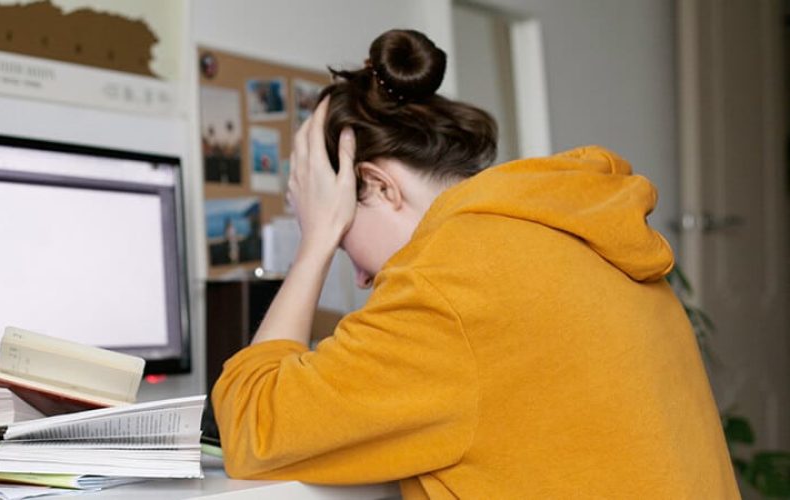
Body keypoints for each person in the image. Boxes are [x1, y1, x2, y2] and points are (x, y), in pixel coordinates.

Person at [211, 29, 739, 498]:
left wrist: (315, 241)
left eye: (348, 241)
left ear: (378, 186)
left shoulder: (452, 279)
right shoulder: (568, 231)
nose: (361, 277)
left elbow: (254, 430)